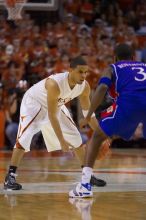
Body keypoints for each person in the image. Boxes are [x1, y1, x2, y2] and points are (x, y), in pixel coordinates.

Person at [4, 56, 106, 190]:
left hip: (56, 104)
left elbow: (89, 114)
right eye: (80, 72)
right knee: (24, 137)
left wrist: (102, 136)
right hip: (34, 103)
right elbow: (52, 115)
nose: (84, 75)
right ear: (70, 70)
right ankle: (10, 178)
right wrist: (61, 140)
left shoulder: (84, 86)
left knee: (76, 137)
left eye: (86, 72)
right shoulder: (54, 84)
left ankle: (87, 176)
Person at [69, 43, 146, 198]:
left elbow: (102, 88)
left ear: (115, 57)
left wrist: (88, 114)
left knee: (97, 137)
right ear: (133, 57)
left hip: (130, 101)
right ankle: (110, 137)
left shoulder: (113, 67)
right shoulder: (144, 66)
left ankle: (84, 185)